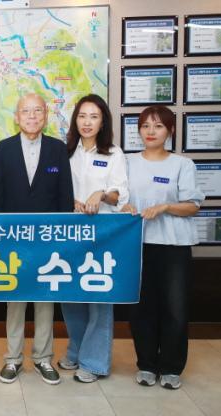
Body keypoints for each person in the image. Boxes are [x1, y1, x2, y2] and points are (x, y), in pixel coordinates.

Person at [0, 93, 73, 385]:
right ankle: (13, 359)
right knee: (15, 299)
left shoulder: (57, 149)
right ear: (16, 117)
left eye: (38, 111)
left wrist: (61, 237)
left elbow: (65, 195)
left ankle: (43, 358)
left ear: (46, 116)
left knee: (44, 299)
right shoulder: (3, 149)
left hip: (48, 240)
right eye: (26, 111)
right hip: (12, 239)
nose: (32, 116)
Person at [122, 106, 204, 390]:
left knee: (175, 308)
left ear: (170, 130)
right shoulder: (127, 162)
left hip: (173, 246)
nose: (151, 132)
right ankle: (146, 364)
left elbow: (192, 206)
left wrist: (166, 207)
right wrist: (125, 206)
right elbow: (118, 196)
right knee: (141, 308)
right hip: (137, 245)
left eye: (158, 126)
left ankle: (171, 367)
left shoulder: (182, 164)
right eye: (145, 126)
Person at [59, 94, 128, 383]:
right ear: (75, 120)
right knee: (71, 295)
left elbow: (119, 193)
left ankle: (95, 362)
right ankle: (76, 351)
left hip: (102, 234)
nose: (87, 122)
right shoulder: (65, 151)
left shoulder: (113, 153)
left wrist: (100, 195)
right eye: (82, 116)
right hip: (68, 233)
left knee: (98, 297)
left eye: (94, 117)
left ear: (103, 122)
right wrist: (69, 201)